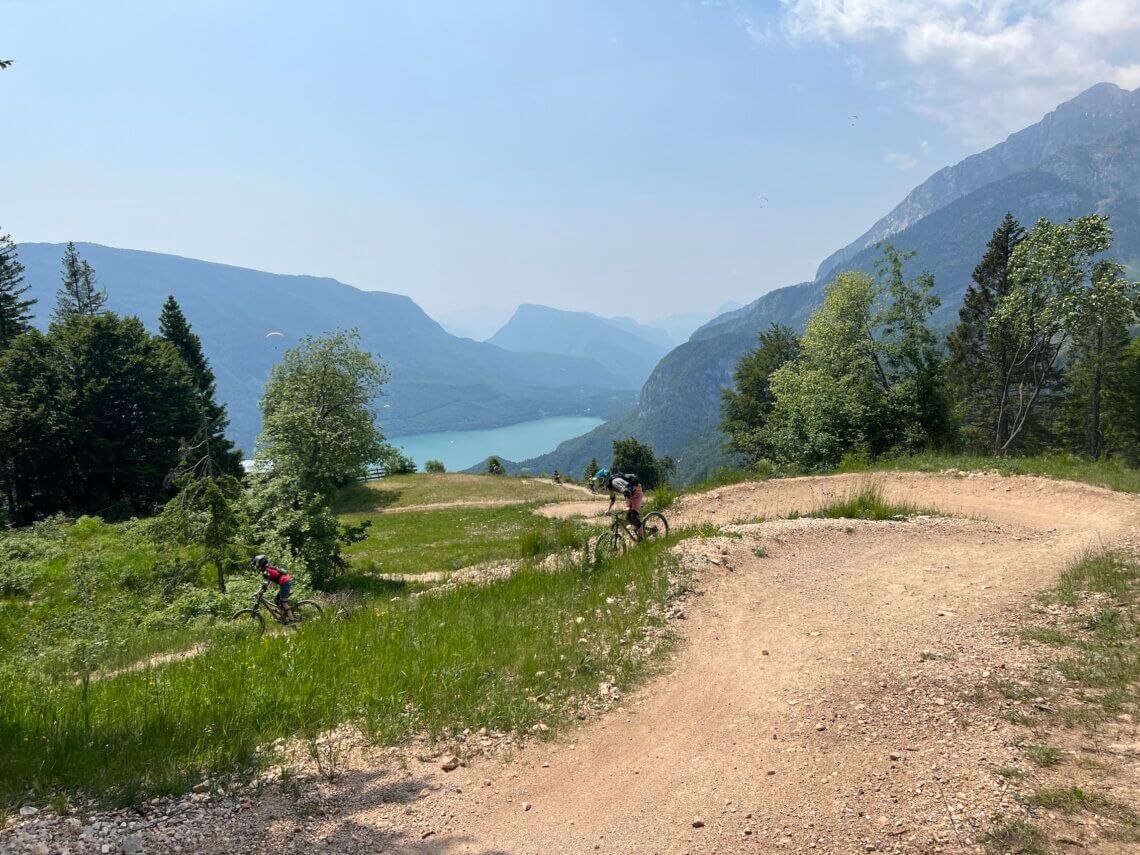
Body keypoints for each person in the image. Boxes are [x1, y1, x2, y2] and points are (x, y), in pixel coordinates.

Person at [595, 468, 645, 539]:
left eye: (601, 480)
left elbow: (626, 492)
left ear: (606, 478)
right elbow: (612, 498)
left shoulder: (615, 482)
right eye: (599, 480)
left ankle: (642, 540)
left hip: (636, 492)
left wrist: (628, 506)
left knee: (633, 516)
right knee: (628, 517)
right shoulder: (609, 485)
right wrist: (608, 510)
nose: (600, 482)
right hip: (631, 494)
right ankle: (638, 527)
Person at [251, 554, 295, 621]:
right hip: (285, 581)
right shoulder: (268, 568)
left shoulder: (266, 571)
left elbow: (264, 584)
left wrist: (258, 592)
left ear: (261, 563)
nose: (257, 567)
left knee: (283, 602)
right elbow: (276, 574)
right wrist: (270, 583)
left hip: (285, 582)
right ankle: (283, 616)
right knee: (277, 600)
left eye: (257, 564)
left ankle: (292, 620)